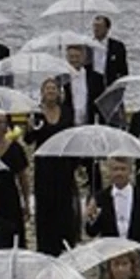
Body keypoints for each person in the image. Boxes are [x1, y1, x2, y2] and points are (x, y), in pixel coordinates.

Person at [28, 78, 82, 256]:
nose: (50, 92)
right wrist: (29, 128)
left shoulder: (67, 112)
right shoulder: (36, 113)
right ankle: (46, 248)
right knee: (45, 208)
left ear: (59, 92)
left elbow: (73, 137)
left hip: (64, 165)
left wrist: (75, 164)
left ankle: (65, 245)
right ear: (42, 93)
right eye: (47, 89)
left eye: (53, 89)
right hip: (44, 166)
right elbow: (29, 140)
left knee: (65, 207)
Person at [83, 156, 140, 266]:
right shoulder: (101, 198)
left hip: (137, 258)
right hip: (110, 259)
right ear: (109, 171)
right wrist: (91, 216)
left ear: (130, 171)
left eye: (123, 169)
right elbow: (91, 232)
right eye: (115, 169)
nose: (119, 173)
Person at [89, 15, 128, 83]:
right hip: (91, 84)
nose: (96, 29)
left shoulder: (117, 46)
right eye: (95, 26)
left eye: (99, 26)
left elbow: (123, 70)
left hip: (110, 83)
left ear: (107, 28)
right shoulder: (87, 45)